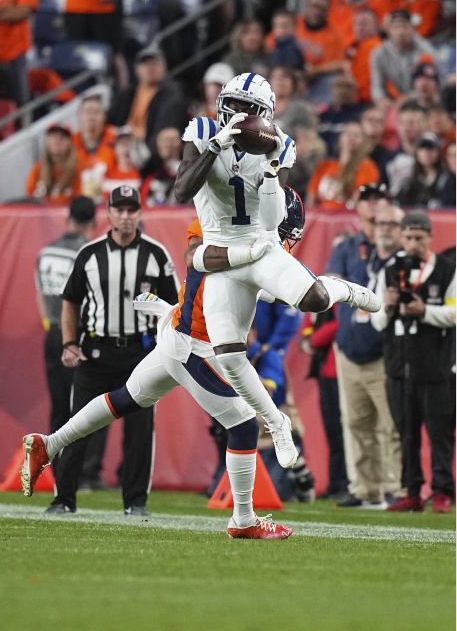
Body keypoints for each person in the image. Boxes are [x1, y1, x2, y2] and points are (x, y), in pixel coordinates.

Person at [22, 190, 311, 539]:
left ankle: (49, 444)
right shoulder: (234, 234)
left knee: (124, 399)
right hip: (194, 345)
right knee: (244, 424)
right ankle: (244, 520)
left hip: (179, 331)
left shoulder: (240, 233)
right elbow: (205, 262)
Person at [171, 71, 384, 471]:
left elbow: (271, 220)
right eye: (230, 104)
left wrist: (269, 167)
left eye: (246, 109)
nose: (235, 114)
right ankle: (277, 422)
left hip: (261, 243)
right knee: (230, 357)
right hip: (222, 251)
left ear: (263, 115)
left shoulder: (279, 144)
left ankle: (346, 290)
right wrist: (217, 146)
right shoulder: (201, 130)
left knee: (317, 300)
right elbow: (182, 190)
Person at [44, 186, 179, 516]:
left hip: (140, 354)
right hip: (97, 351)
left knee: (140, 430)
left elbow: (173, 306)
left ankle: (135, 501)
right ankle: (64, 498)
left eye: (132, 210)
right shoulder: (89, 254)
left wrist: (167, 346)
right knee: (78, 426)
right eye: (119, 209)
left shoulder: (156, 254)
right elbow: (70, 301)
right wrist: (69, 343)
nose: (126, 216)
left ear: (140, 213)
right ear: (108, 213)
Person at [371, 211, 456, 513]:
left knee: (439, 432)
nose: (413, 244)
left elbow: (456, 312)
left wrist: (425, 312)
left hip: (435, 364)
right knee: (405, 431)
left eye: (419, 238)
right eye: (408, 238)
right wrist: (388, 308)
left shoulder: (448, 269)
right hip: (399, 364)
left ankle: (443, 491)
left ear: (431, 238)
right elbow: (377, 321)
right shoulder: (389, 271)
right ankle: (411, 491)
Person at [324, 187, 401, 508]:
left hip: (384, 351)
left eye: (380, 209)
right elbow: (329, 281)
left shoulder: (398, 255)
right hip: (349, 348)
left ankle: (395, 487)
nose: (374, 213)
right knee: (355, 423)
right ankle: (364, 487)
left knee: (391, 424)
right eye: (366, 201)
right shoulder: (348, 247)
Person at [34, 196, 99, 438]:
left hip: (52, 332)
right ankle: (83, 473)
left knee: (59, 407)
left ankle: (55, 470)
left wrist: (51, 324)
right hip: (79, 335)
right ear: (93, 222)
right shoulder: (86, 254)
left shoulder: (45, 253)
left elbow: (40, 294)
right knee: (86, 410)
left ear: (67, 219)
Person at [107, 46, 189, 158]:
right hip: (122, 142)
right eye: (145, 64)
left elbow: (164, 131)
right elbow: (111, 119)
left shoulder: (173, 94)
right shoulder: (129, 92)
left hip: (149, 150)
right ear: (136, 69)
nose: (150, 68)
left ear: (164, 67)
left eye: (154, 63)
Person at [300, 307, 348, 498]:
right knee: (333, 431)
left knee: (341, 431)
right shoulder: (319, 300)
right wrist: (307, 339)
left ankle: (344, 483)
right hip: (325, 371)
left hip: (337, 372)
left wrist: (312, 340)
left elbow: (337, 323)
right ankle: (336, 484)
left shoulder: (339, 298)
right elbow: (308, 324)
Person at [307, 122, 381, 209]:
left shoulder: (367, 166)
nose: (352, 138)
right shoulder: (324, 166)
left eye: (357, 135)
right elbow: (310, 200)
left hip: (347, 218)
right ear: (340, 138)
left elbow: (360, 201)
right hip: (320, 217)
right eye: (348, 134)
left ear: (364, 142)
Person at [370, 10, 436, 107]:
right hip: (397, 101)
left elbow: (431, 85)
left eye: (404, 26)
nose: (400, 32)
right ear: (389, 30)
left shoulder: (425, 50)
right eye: (396, 27)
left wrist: (409, 98)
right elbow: (376, 86)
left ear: (413, 29)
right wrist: (381, 100)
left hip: (423, 100)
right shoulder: (379, 53)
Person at [25, 124, 84, 205]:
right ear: (47, 141)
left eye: (63, 137)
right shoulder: (37, 168)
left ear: (70, 143)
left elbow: (82, 200)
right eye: (53, 136)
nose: (58, 140)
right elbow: (28, 198)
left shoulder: (79, 169)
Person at [318, 73, 369, 153]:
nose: (343, 91)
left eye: (348, 87)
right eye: (339, 86)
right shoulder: (322, 116)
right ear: (332, 89)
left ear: (356, 91)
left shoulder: (363, 115)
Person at [397, 132, 446, 208]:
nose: (427, 152)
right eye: (422, 147)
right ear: (416, 153)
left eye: (431, 147)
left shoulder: (446, 179)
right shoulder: (409, 182)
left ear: (438, 152)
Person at [269, 65, 318, 141]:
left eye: (285, 78)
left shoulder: (300, 108)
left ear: (293, 84)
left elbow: (304, 141)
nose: (280, 81)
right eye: (277, 77)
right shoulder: (262, 106)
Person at [346, 8, 383, 106]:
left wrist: (345, 68)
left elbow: (359, 84)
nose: (360, 28)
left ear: (377, 26)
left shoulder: (373, 45)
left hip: (368, 102)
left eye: (364, 24)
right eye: (357, 24)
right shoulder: (356, 47)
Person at [141, 126, 183, 206]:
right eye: (164, 139)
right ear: (157, 145)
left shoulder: (189, 173)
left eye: (173, 139)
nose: (168, 143)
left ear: (181, 143)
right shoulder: (150, 175)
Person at [72, 96, 116, 167]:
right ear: (79, 115)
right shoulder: (69, 145)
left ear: (104, 116)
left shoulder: (117, 140)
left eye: (96, 112)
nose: (91, 116)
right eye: (88, 111)